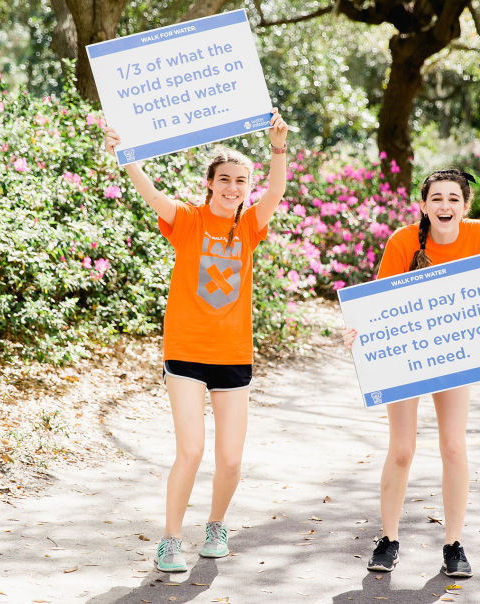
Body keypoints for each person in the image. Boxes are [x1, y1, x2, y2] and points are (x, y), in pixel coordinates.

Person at [103, 109, 289, 573]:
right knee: (191, 451)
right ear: (209, 183)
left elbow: (278, 191)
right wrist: (124, 152)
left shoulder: (249, 226)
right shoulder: (187, 220)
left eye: (241, 181)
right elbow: (149, 191)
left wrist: (278, 148)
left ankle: (216, 526)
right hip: (185, 352)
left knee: (229, 459)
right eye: (224, 179)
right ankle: (170, 540)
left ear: (249, 187)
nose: (232, 188)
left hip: (232, 356)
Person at [344, 168, 480, 577]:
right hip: (406, 358)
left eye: (453, 198)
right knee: (403, 448)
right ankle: (388, 540)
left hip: (454, 355)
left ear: (465, 205)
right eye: (436, 199)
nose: (445, 205)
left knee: (453, 446)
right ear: (424, 206)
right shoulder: (403, 241)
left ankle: (454, 544)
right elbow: (378, 308)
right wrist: (358, 334)